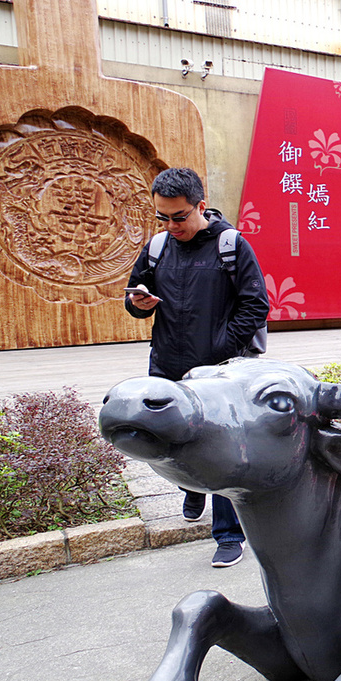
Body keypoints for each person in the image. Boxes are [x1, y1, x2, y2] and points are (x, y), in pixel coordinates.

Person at [124, 167, 269, 568]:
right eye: (162, 217)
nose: (171, 226)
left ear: (200, 207)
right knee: (169, 441)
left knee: (220, 450)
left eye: (180, 216)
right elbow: (136, 293)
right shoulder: (156, 247)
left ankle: (228, 535)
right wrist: (137, 304)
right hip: (167, 364)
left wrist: (221, 345)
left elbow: (256, 305)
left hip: (217, 372)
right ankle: (191, 486)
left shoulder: (230, 245)